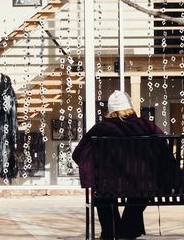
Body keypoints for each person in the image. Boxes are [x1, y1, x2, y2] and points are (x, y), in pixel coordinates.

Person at [72, 90, 167, 239]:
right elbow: (164, 149)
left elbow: (77, 154)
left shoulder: (101, 128)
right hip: (143, 185)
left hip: (108, 186)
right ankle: (128, 232)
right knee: (141, 192)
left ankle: (110, 233)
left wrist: (94, 170)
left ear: (111, 109)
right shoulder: (145, 125)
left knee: (102, 194)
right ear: (129, 106)